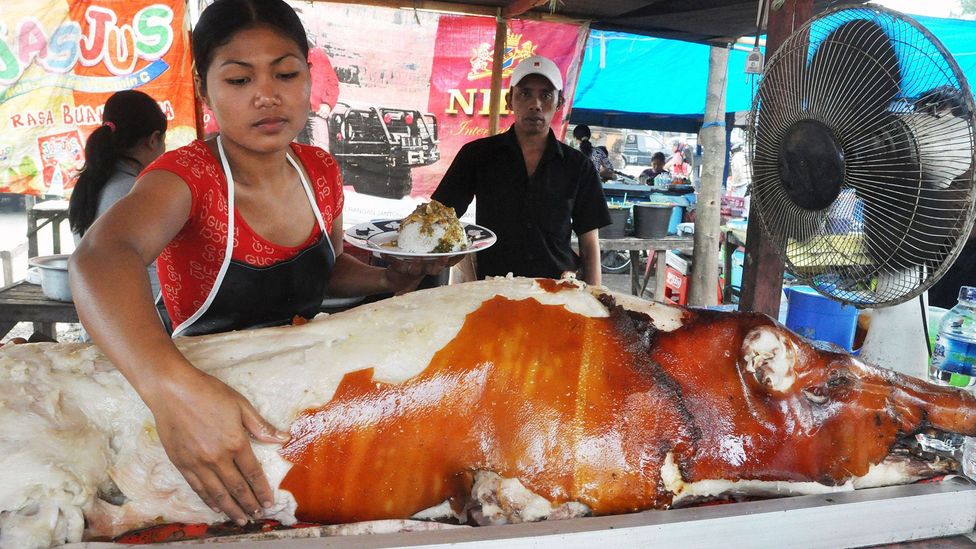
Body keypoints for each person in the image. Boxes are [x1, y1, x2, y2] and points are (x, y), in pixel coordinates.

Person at [69, 0, 449, 527]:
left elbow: (327, 268)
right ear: (205, 89)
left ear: (308, 77)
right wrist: (169, 389)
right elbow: (99, 257)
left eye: (286, 73)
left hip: (309, 397)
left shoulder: (319, 170)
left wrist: (387, 278)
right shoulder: (186, 176)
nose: (266, 95)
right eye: (239, 79)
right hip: (205, 407)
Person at [432, 55, 611, 286]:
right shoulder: (476, 155)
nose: (535, 104)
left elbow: (589, 242)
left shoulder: (578, 166)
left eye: (546, 95)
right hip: (492, 289)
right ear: (510, 99)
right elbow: (439, 217)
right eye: (525, 93)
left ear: (559, 103)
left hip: (557, 291)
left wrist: (597, 300)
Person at [68, 90, 167, 298]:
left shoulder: (88, 184)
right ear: (154, 139)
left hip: (99, 317)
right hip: (138, 318)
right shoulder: (135, 191)